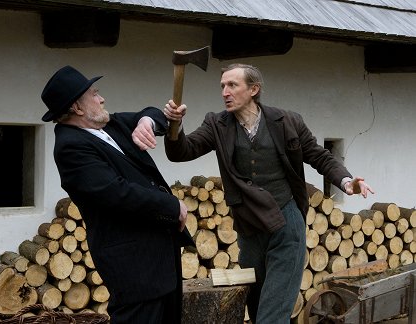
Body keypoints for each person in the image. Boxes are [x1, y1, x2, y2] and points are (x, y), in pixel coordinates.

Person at [163, 63, 374, 323]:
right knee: (257, 305)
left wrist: (346, 181)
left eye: (232, 85)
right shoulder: (217, 124)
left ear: (254, 89)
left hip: (286, 223)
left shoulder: (287, 121)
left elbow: (319, 156)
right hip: (249, 228)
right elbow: (182, 151)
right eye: (222, 86)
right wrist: (175, 125)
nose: (225, 92)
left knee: (272, 315)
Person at [41, 65, 194, 324]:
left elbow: (152, 114)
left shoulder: (111, 126)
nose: (102, 99)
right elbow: (117, 192)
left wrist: (147, 122)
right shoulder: (71, 147)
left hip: (160, 256)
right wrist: (171, 205)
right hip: (134, 266)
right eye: (94, 94)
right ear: (77, 108)